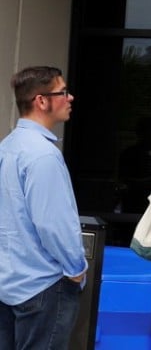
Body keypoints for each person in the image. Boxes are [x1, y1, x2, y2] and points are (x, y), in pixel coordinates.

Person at [0, 67, 87, 350]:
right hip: (42, 286)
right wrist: (77, 268)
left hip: (8, 283)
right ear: (41, 101)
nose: (70, 97)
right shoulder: (43, 155)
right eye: (62, 92)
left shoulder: (8, 146)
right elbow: (53, 223)